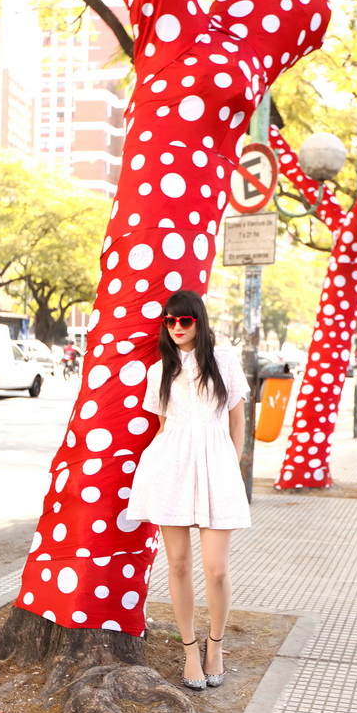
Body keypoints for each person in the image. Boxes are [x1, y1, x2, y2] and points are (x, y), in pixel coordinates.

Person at [127, 290, 251, 691]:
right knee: (178, 565)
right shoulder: (159, 371)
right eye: (170, 321)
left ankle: (215, 645)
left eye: (185, 321)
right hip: (172, 471)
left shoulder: (224, 362)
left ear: (199, 320)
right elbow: (163, 430)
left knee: (216, 569)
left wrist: (230, 467)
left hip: (217, 468)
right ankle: (191, 652)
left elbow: (237, 423)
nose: (177, 327)